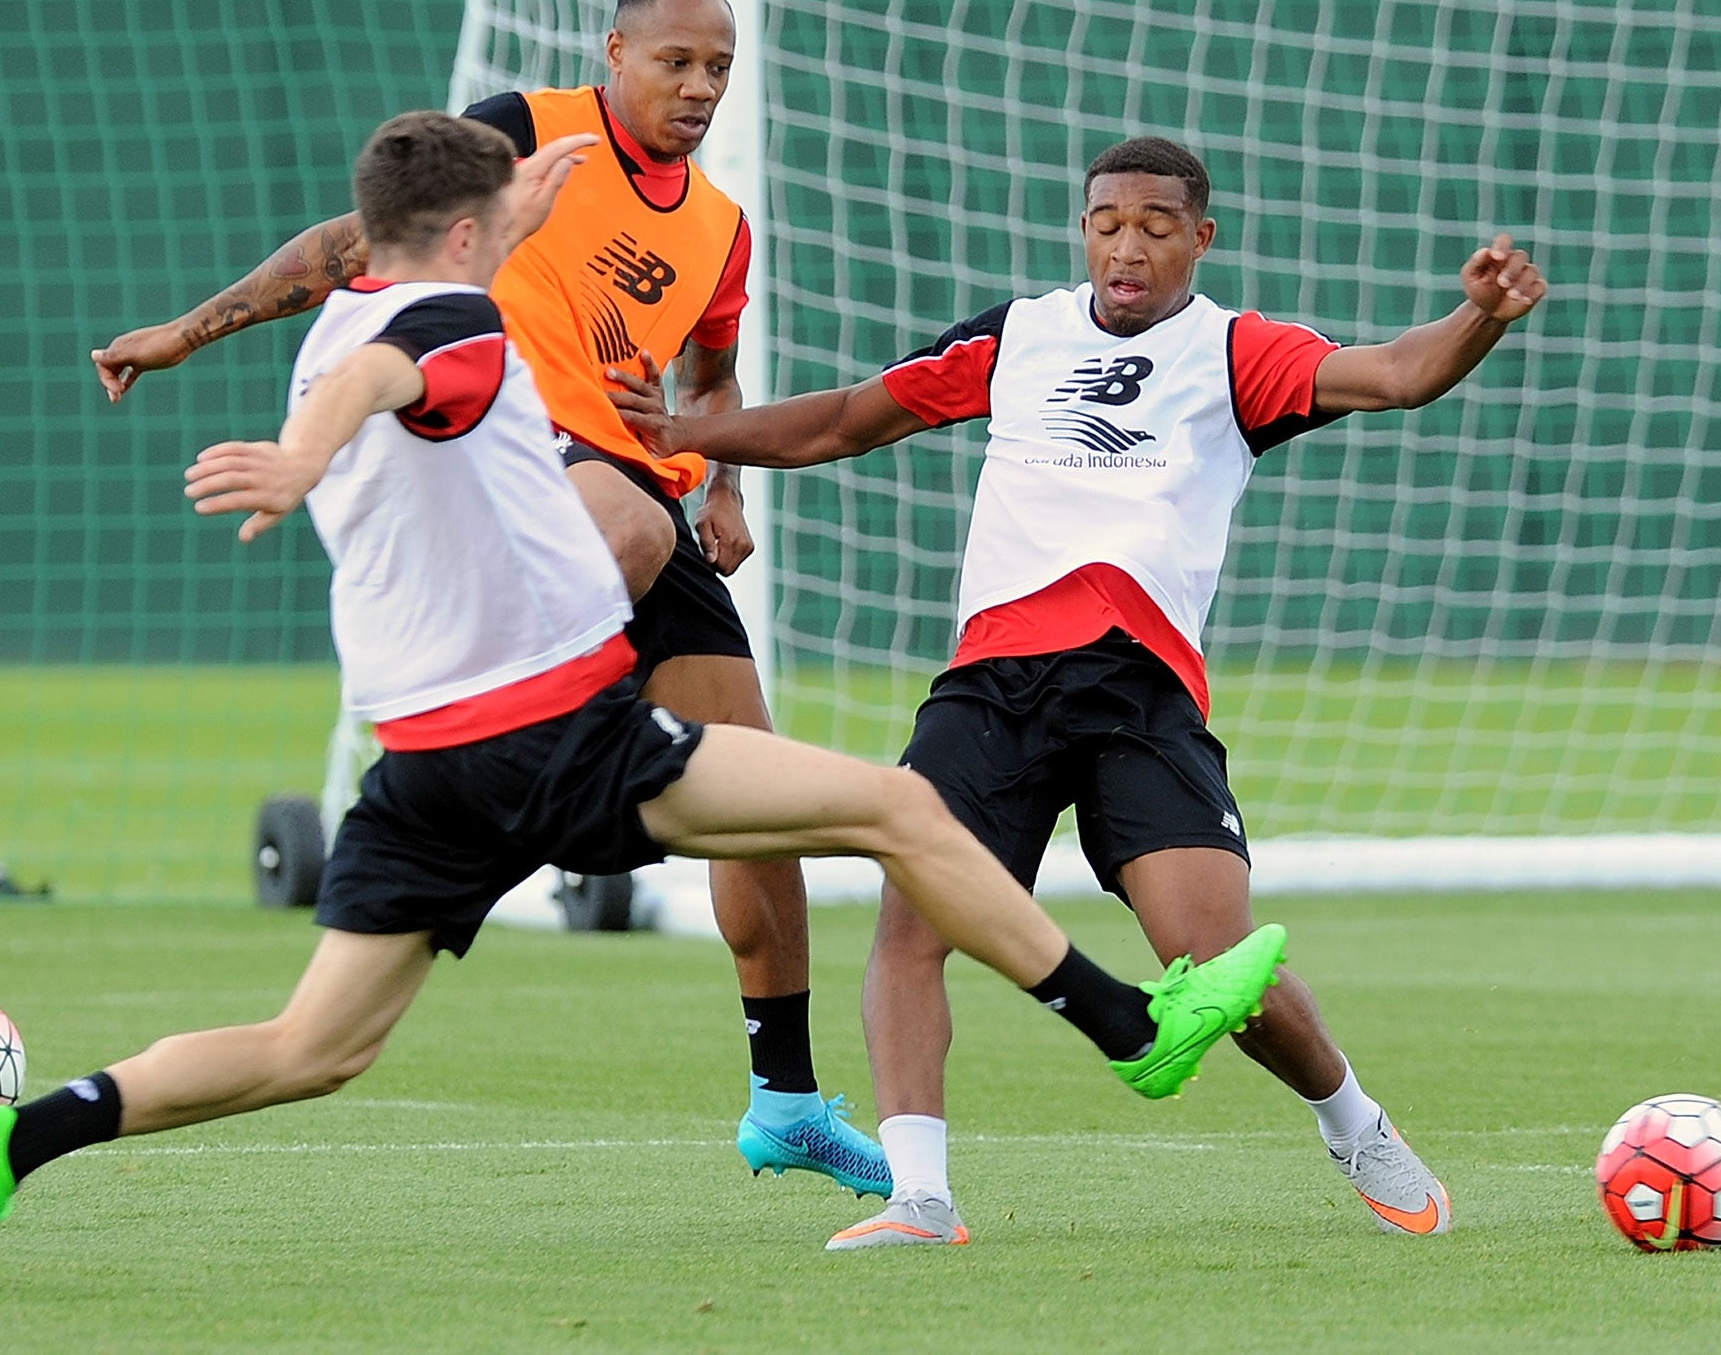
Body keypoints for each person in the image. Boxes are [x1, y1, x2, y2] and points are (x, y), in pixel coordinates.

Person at [0, 112, 1289, 1291]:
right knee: (896, 806)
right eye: (504, 218)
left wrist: (505, 211)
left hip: (423, 767)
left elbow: (382, 305)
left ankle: (14, 1142)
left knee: (308, 1049)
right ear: (463, 236)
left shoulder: (347, 304)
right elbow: (410, 372)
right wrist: (293, 459)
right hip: (563, 738)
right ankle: (1132, 1028)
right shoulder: (446, 320)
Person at [611, 136, 1547, 1248]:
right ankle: (920, 1198)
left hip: (1139, 697)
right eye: (1106, 221)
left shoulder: (1237, 354)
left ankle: (1353, 1123)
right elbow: (844, 420)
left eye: (1155, 224)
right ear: (1082, 228)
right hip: (989, 691)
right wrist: (683, 435)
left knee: (1218, 969)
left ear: (1200, 237)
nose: (1126, 245)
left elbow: (1396, 374)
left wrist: (1481, 316)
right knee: (910, 930)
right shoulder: (1014, 337)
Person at [86, 0, 890, 1193]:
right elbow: (348, 244)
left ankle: (782, 1096)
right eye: (675, 60)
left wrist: (723, 483)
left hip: (639, 489)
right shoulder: (524, 132)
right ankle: (552, 753)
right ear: (613, 54)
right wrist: (186, 334)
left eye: (718, 67)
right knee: (618, 534)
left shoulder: (722, 229)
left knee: (766, 814)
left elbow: (709, 384)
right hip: (516, 463)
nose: (699, 86)